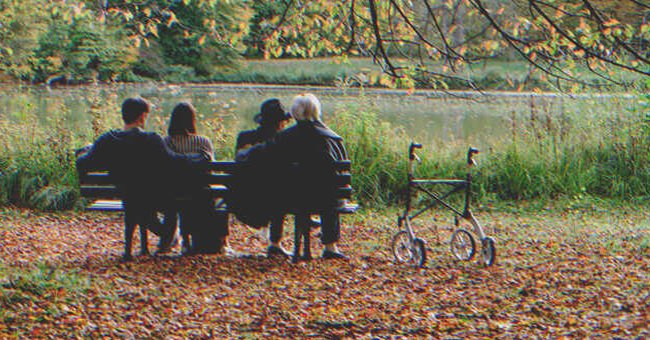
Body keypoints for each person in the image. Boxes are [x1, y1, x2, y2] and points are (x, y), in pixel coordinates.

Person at [76, 97, 210, 261]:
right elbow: (175, 162)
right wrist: (199, 157)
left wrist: (86, 151)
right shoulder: (152, 140)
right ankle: (165, 236)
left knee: (140, 203)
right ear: (141, 117)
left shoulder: (107, 140)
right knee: (170, 206)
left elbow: (85, 163)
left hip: (127, 195)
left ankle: (154, 238)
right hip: (153, 198)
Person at [239, 93, 349, 260]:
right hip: (324, 199)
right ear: (316, 111)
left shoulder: (284, 137)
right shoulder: (331, 137)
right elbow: (338, 175)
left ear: (295, 113)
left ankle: (275, 244)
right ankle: (330, 246)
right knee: (329, 189)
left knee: (278, 187)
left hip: (288, 199)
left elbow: (269, 163)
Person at [162, 102, 228, 255]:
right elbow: (211, 169)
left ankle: (184, 240)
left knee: (182, 197)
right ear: (192, 120)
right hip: (201, 192)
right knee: (218, 197)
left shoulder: (166, 142)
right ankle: (223, 243)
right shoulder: (203, 142)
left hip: (173, 193)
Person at [235, 98, 293, 257]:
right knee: (279, 189)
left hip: (242, 201)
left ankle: (223, 242)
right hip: (274, 203)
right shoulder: (283, 142)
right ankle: (275, 243)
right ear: (281, 123)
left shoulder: (244, 138)